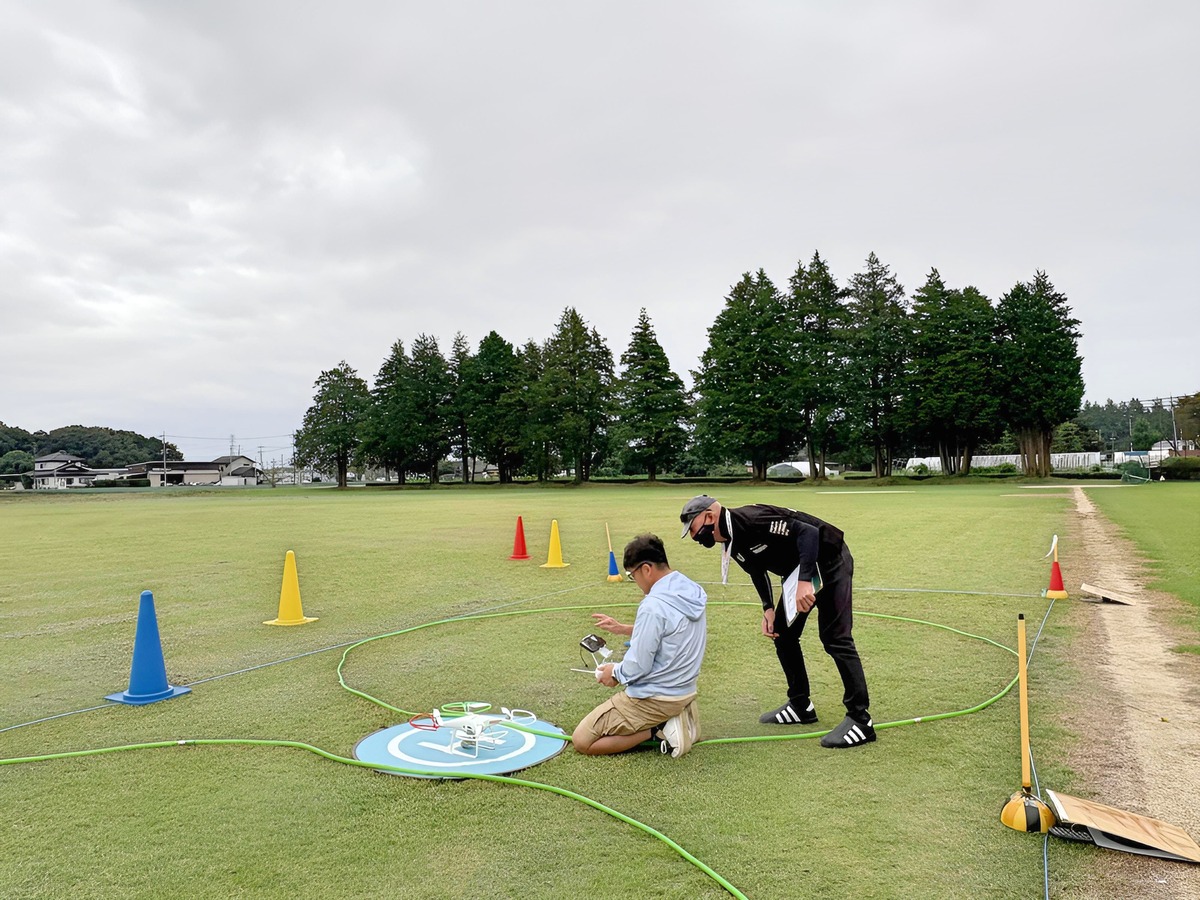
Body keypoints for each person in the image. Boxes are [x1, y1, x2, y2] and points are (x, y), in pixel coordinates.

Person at [680, 494, 875, 749]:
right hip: (801, 572)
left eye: (693, 528)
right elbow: (756, 570)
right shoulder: (730, 539)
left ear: (709, 517)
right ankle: (800, 705)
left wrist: (805, 582)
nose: (693, 536)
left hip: (829, 559)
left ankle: (860, 719)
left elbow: (808, 533)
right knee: (782, 634)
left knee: (835, 638)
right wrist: (768, 608)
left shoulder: (752, 519)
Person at [572, 533, 706, 759]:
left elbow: (638, 666)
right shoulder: (691, 590)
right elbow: (670, 631)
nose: (635, 582)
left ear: (646, 569)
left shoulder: (653, 605)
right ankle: (669, 718)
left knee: (582, 740)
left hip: (656, 698)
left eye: (632, 575)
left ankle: (660, 727)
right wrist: (623, 628)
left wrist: (614, 673)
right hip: (685, 690)